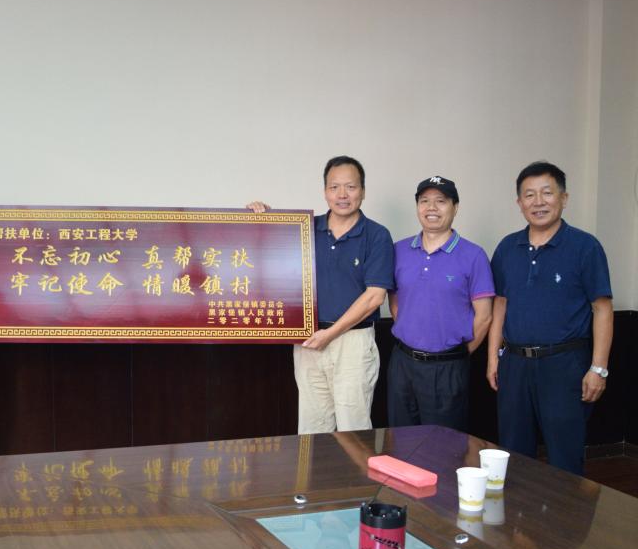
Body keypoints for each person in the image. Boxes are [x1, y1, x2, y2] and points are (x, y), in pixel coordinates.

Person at [249, 156, 394, 433]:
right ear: (325, 191)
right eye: (334, 187)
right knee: (312, 428)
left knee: (354, 429)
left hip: (352, 342)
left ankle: (355, 467)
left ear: (363, 191)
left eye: (350, 187)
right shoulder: (305, 229)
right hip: (307, 340)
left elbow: (375, 297)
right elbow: (265, 256)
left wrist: (330, 334)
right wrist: (259, 220)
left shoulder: (377, 235)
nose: (342, 195)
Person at [487, 161, 613, 475]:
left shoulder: (585, 246)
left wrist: (598, 368)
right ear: (519, 203)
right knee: (513, 455)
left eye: (547, 193)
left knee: (564, 457)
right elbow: (500, 305)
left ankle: (568, 510)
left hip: (564, 365)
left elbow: (602, 308)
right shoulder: (507, 247)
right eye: (529, 195)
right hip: (514, 364)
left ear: (564, 198)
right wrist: (492, 360)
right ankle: (516, 510)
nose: (538, 202)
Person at [387, 176, 494, 431]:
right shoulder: (399, 250)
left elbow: (485, 316)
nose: (431, 208)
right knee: (401, 439)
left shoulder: (473, 255)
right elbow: (395, 300)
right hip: (402, 364)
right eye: (424, 201)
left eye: (441, 201)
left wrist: (456, 355)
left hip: (448, 368)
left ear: (455, 208)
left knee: (443, 445)